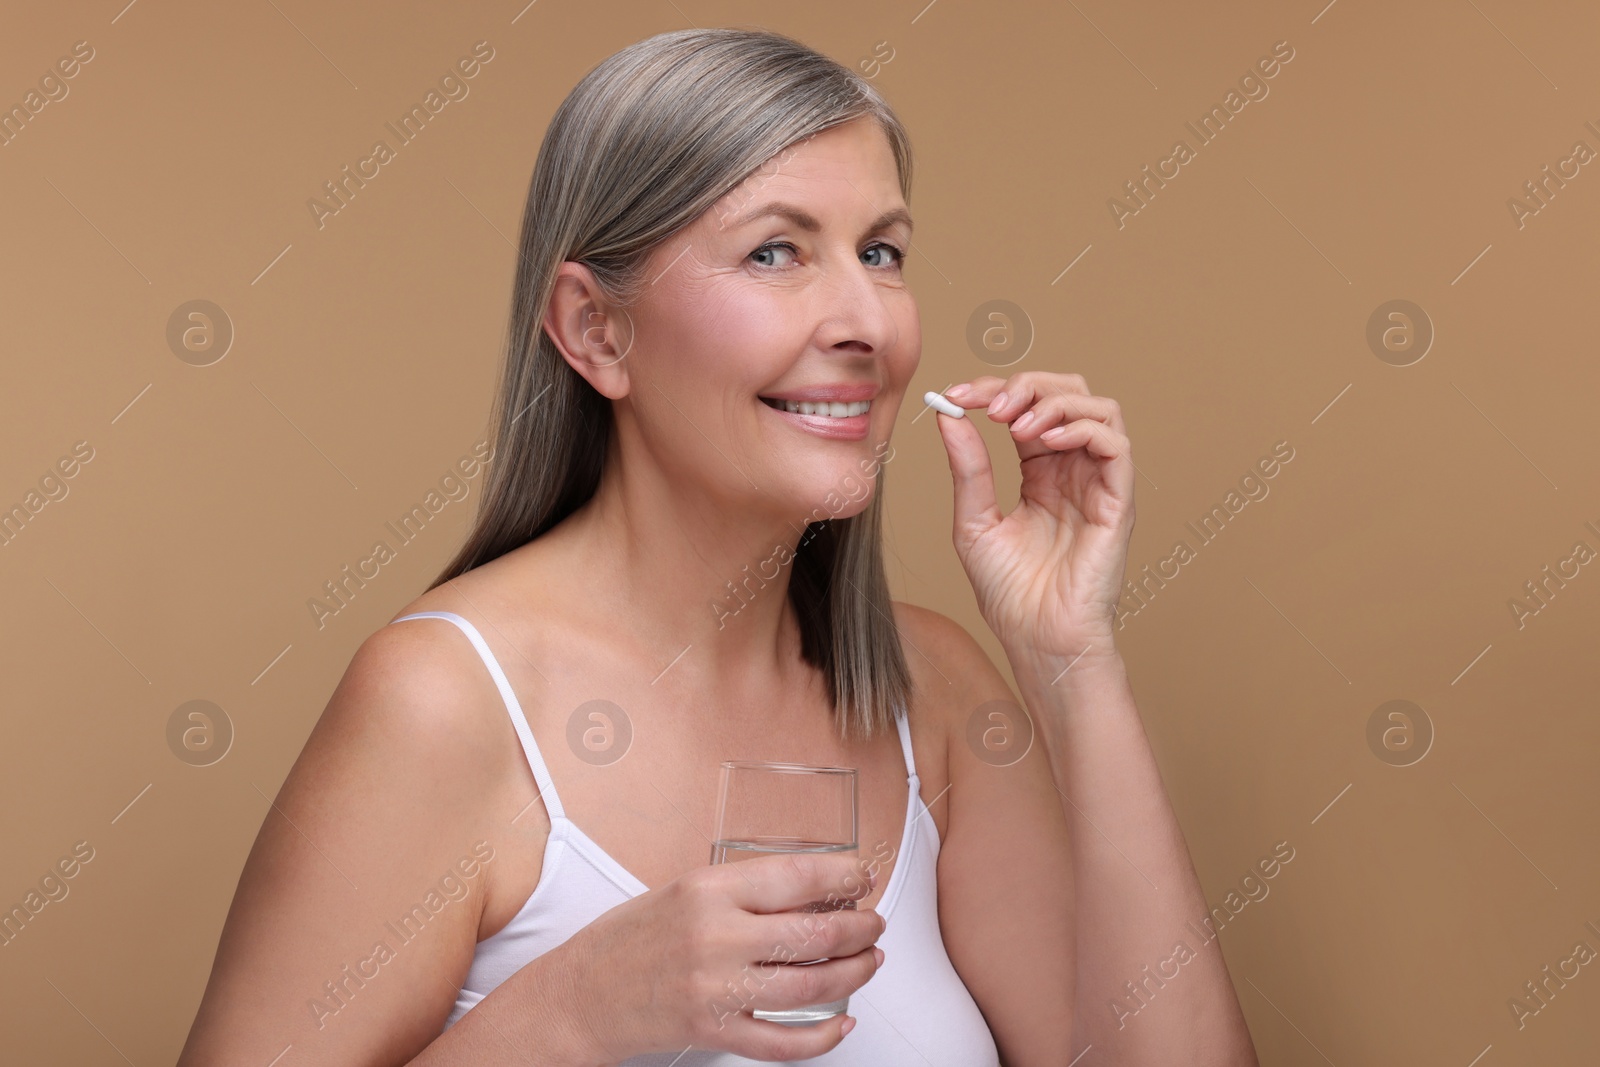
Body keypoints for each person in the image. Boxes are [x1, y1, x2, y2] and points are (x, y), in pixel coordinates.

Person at [178, 27, 1258, 1067]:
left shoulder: (932, 694)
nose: (865, 322)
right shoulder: (444, 700)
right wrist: (574, 1011)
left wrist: (1069, 656)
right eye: (775, 250)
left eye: (880, 251)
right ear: (598, 330)